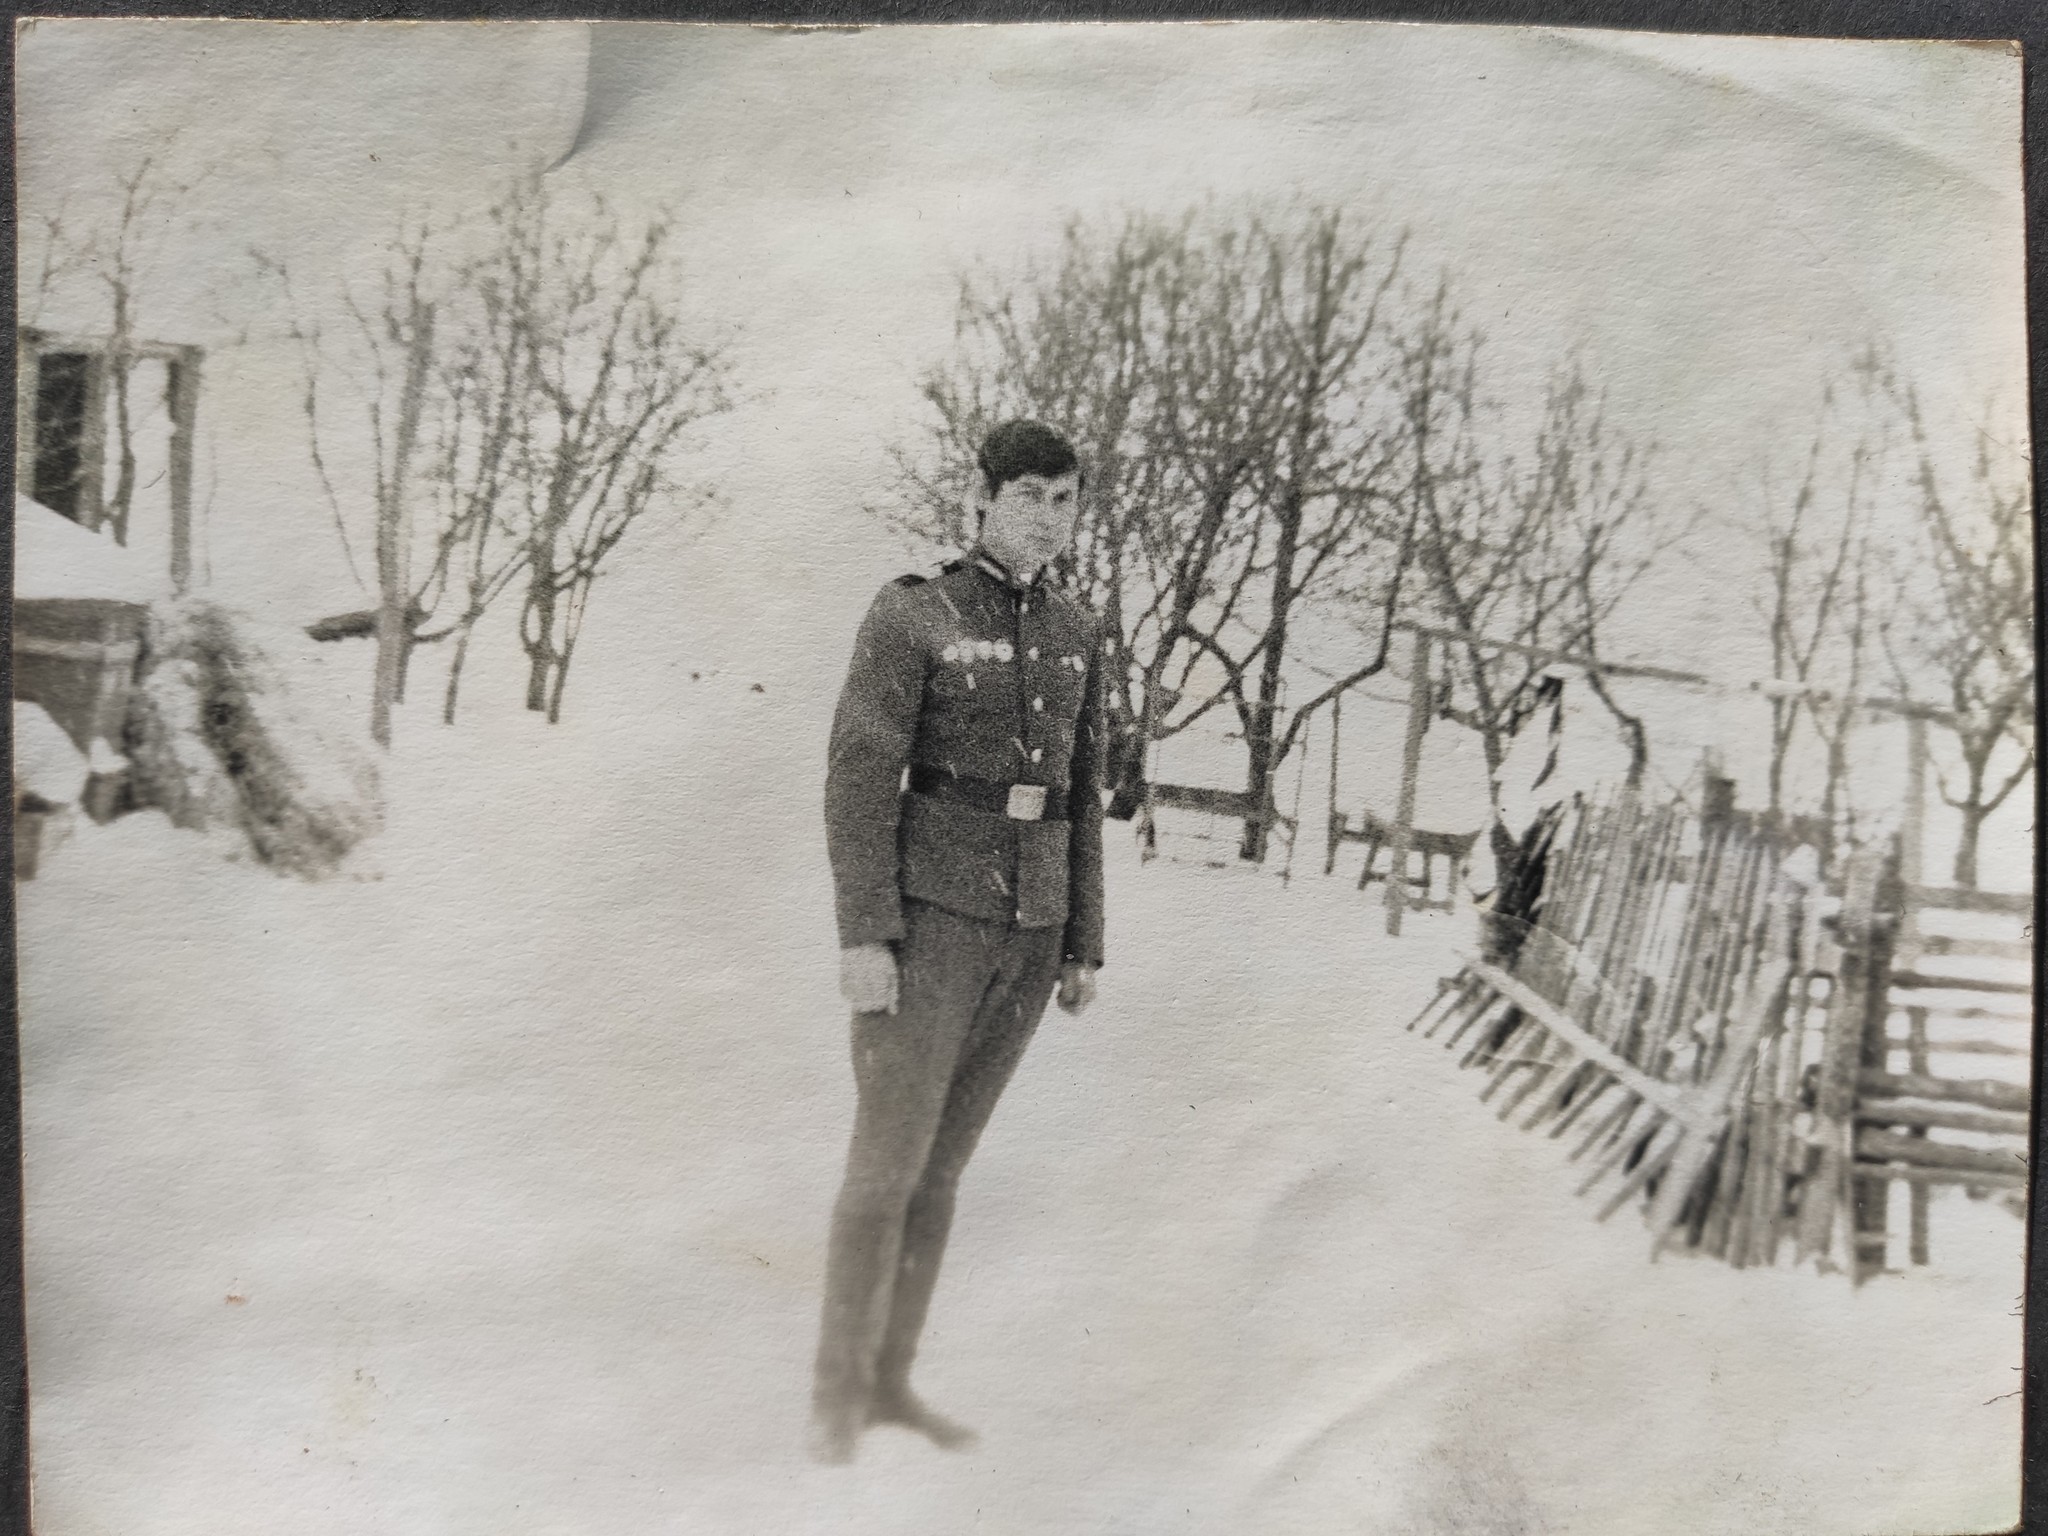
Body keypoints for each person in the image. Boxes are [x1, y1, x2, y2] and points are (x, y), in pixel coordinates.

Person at [810, 420, 1106, 1464]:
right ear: (980, 498)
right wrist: (865, 933)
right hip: (929, 926)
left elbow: (1078, 792)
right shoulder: (913, 614)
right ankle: (835, 1400)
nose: (1047, 517)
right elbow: (857, 780)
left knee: (942, 1174)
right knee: (885, 1170)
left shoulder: (1076, 630)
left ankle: (890, 1384)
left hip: (1026, 940)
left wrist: (1081, 941)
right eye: (1028, 494)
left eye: (1065, 499)